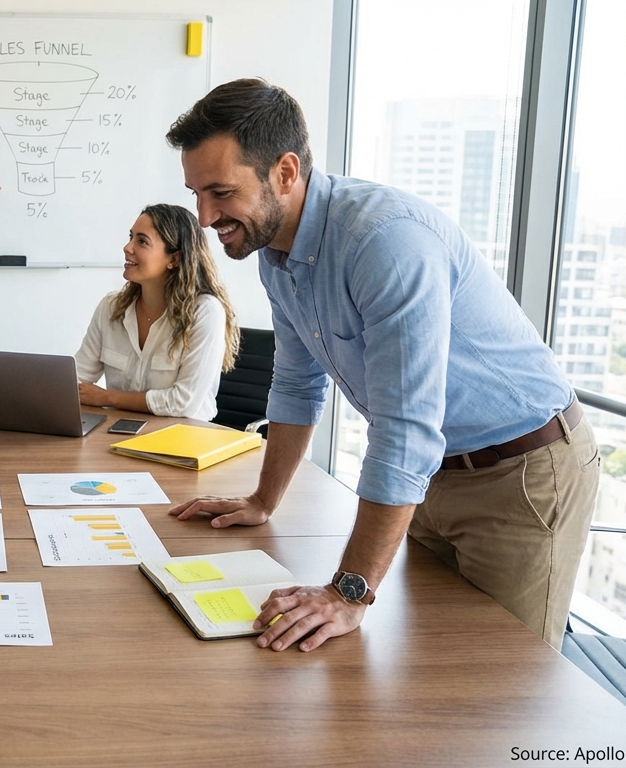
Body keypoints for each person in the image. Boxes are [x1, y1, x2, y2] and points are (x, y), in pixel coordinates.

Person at [164, 78, 599, 654]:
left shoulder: (383, 241)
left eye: (220, 192)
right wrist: (263, 501)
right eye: (196, 194)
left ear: (286, 173)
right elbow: (296, 385)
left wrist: (348, 592)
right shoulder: (275, 256)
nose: (204, 216)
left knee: (502, 683)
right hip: (436, 474)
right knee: (430, 666)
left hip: (522, 472)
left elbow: (405, 427)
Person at [74, 203, 238, 420]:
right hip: (117, 433)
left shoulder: (205, 311)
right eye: (131, 237)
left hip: (183, 439)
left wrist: (107, 398)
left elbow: (183, 403)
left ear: (174, 259)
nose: (127, 247)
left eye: (142, 241)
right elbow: (76, 379)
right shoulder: (111, 307)